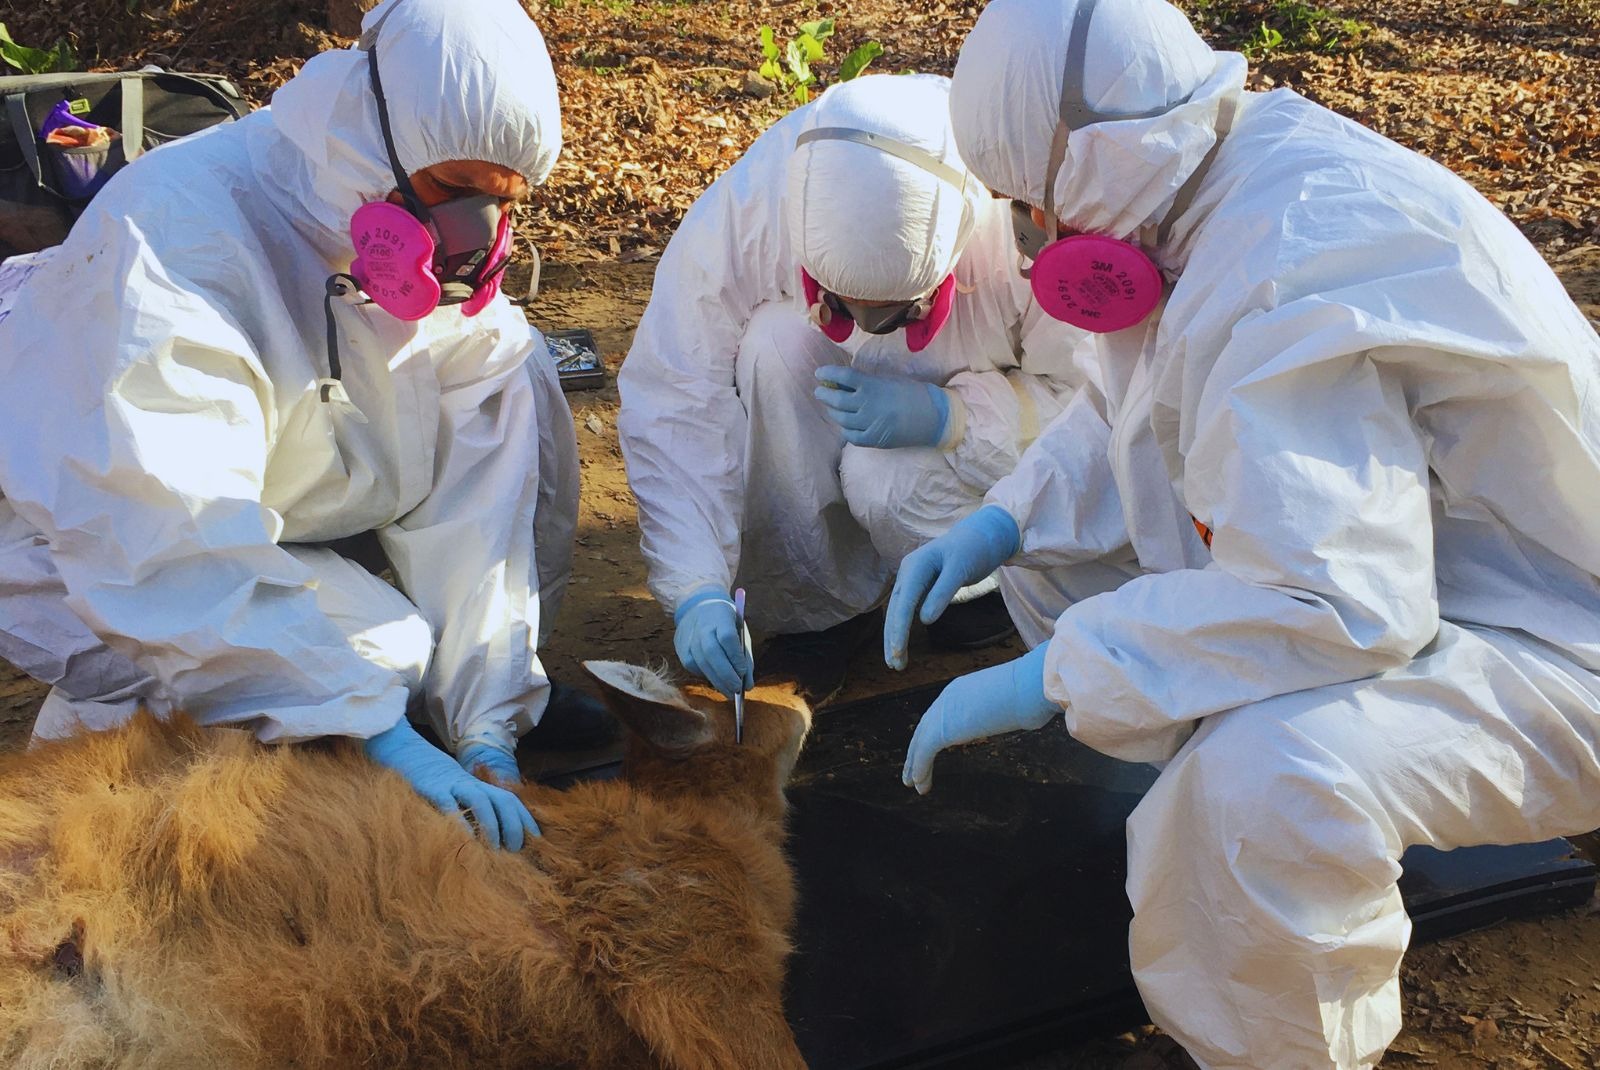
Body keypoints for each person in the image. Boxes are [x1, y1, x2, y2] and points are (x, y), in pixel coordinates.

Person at [883, 0, 1600, 1066]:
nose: (1029, 229)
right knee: (1076, 566)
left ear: (1086, 163)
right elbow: (1133, 396)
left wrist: (1058, 673)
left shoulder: (1281, 269)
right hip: (1443, 565)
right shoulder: (1212, 176)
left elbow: (1336, 606)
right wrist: (1004, 518)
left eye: (1027, 198)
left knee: (1267, 777)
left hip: (1556, 631)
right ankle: (1227, 878)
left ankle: (1275, 1037)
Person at [0, 0, 603, 851]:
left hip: (278, 499)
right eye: (451, 195)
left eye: (500, 205)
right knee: (378, 656)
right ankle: (82, 833)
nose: (475, 238)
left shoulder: (396, 217)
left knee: (517, 363)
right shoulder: (174, 245)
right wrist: (377, 731)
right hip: (81, 535)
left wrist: (484, 726)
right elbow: (163, 544)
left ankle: (437, 702)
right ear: (368, 136)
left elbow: (483, 499)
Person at [618, 73, 1098, 706]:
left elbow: (1093, 407)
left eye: (896, 312)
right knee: (772, 343)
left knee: (882, 478)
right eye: (847, 305)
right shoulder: (751, 207)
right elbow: (676, 390)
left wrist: (951, 416)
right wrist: (697, 584)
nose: (873, 333)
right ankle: (819, 610)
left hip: (971, 412)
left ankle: (972, 584)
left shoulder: (1023, 216)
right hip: (823, 376)